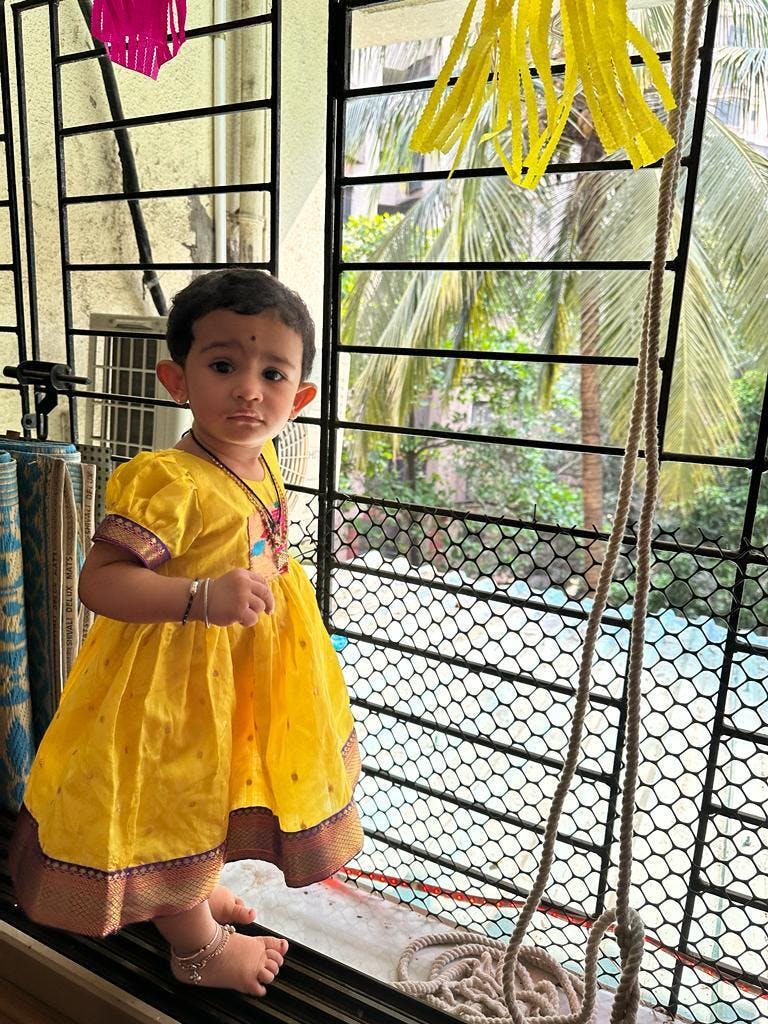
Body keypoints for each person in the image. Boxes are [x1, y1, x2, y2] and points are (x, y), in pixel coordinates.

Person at [10, 269, 363, 997]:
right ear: (177, 380)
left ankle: (192, 889)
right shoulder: (169, 481)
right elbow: (99, 581)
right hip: (171, 681)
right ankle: (195, 947)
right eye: (224, 366)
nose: (249, 391)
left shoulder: (263, 457)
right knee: (168, 801)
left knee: (218, 787)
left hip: (248, 667)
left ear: (299, 398)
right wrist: (200, 597)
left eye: (272, 374)